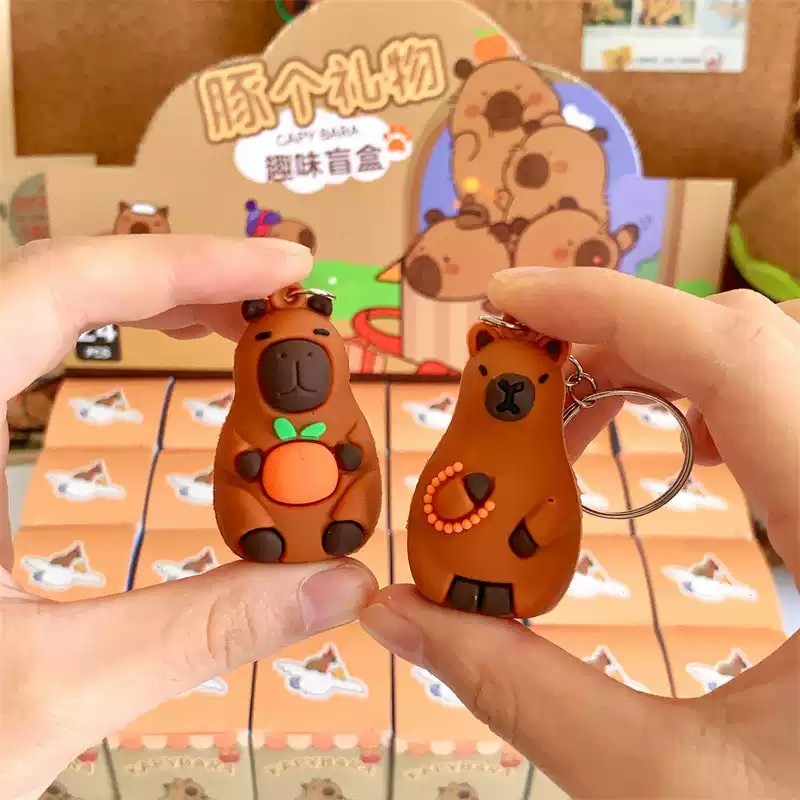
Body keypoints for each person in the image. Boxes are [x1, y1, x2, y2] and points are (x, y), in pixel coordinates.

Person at [0, 237, 796, 800]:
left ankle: (344, 530)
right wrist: (263, 472)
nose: (296, 364)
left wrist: (530, 528)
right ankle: (295, 530)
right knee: (277, 495)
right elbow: (249, 455)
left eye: (311, 347)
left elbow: (542, 498)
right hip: (289, 512)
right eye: (276, 349)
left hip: (509, 558)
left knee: (370, 493)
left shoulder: (516, 434)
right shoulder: (268, 413)